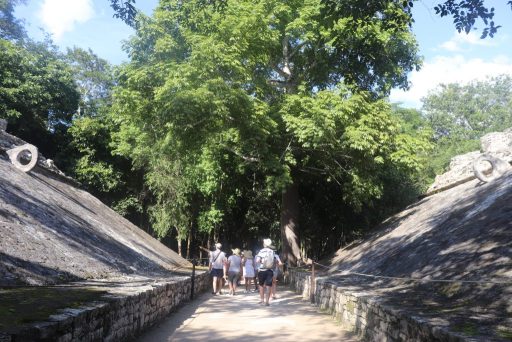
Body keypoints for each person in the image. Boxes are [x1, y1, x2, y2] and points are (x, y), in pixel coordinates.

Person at [256, 238, 275, 306]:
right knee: (269, 285)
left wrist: (261, 261)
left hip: (262, 270)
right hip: (270, 270)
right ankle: (267, 301)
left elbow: (257, 260)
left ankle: (262, 300)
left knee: (261, 285)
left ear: (264, 244)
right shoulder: (272, 251)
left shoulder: (261, 251)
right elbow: (275, 261)